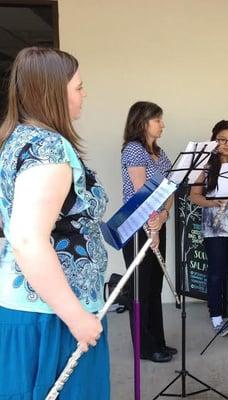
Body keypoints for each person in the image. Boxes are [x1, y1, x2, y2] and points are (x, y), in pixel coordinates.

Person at [0, 47, 109, 398]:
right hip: (53, 316)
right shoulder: (47, 149)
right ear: (53, 93)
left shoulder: (17, 139)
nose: (84, 94)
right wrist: (76, 317)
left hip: (40, 306)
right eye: (78, 87)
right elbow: (28, 239)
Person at [121, 101, 176, 363]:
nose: (162, 124)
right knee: (141, 288)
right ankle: (145, 347)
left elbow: (169, 188)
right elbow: (143, 194)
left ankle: (158, 342)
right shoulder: (133, 150)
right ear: (143, 122)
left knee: (154, 287)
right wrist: (152, 227)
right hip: (137, 226)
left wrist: (163, 216)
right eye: (158, 120)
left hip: (156, 223)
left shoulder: (159, 152)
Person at [190, 120, 228, 338]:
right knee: (216, 272)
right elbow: (194, 196)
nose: (227, 144)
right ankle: (216, 314)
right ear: (214, 140)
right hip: (214, 225)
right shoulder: (204, 165)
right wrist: (213, 202)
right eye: (222, 139)